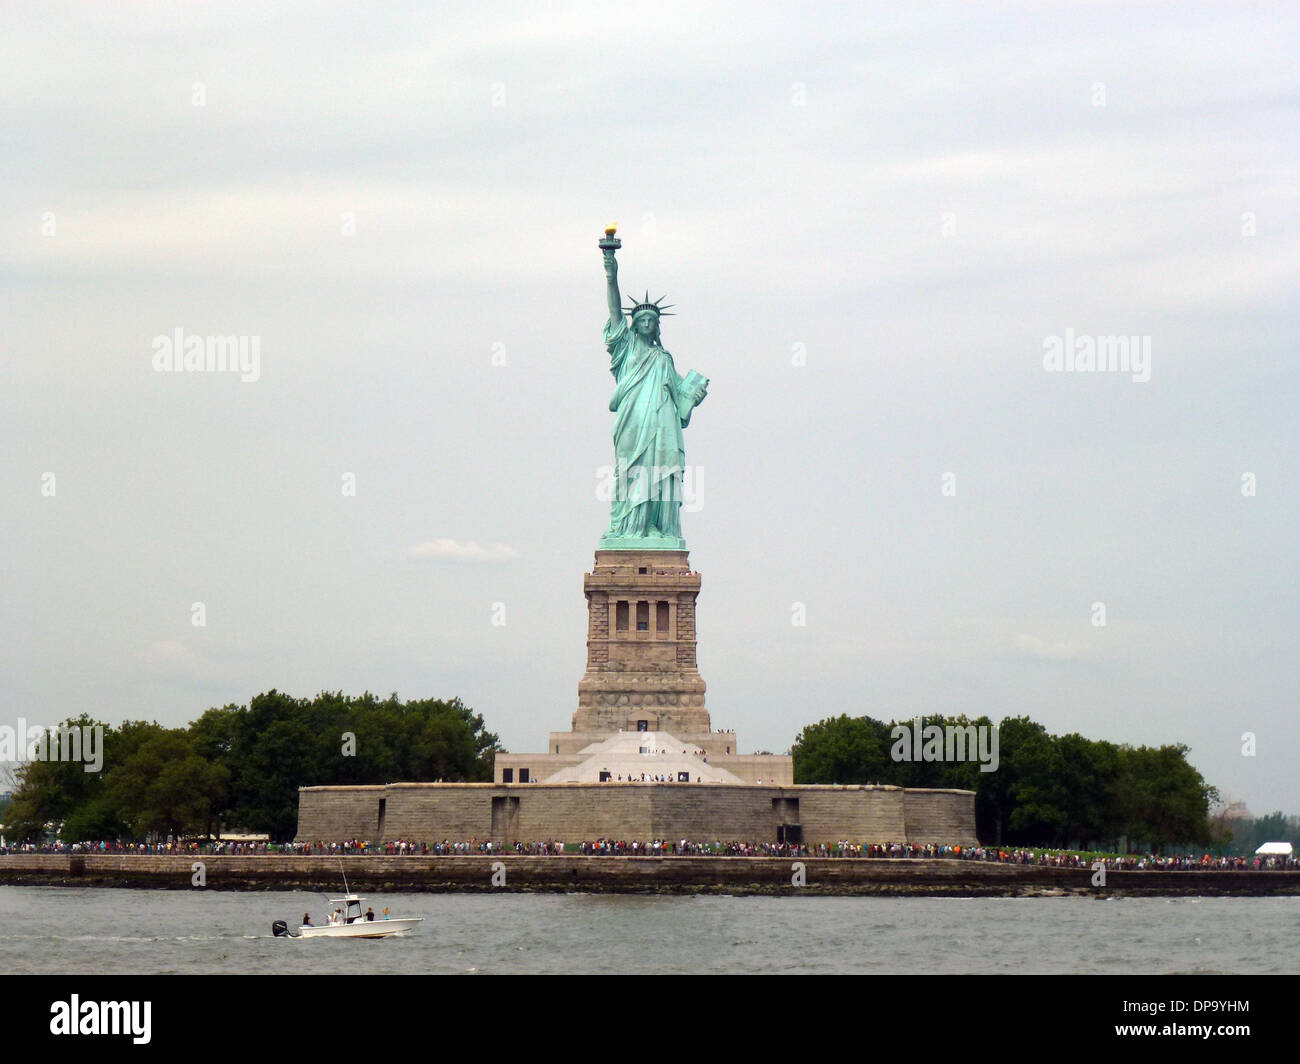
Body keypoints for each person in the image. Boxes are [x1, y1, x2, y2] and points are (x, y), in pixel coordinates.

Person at [600, 237, 708, 543]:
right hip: (633, 423)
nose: (647, 323)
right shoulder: (626, 347)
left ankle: (659, 528)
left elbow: (682, 402)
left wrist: (694, 395)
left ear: (657, 326)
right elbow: (613, 311)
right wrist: (611, 270)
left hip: (663, 426)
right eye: (642, 319)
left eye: (652, 320)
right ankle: (630, 527)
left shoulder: (664, 358)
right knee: (632, 473)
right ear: (634, 325)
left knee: (662, 473)